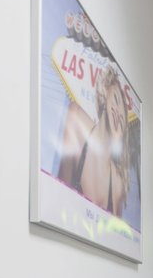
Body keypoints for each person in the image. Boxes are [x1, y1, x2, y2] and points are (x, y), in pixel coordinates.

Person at [56, 65, 130, 219]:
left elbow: (114, 230)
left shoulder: (118, 182)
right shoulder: (76, 117)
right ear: (105, 93)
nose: (118, 113)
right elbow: (60, 196)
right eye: (115, 99)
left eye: (123, 119)